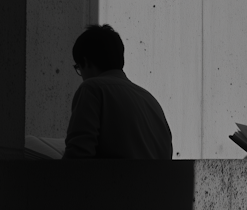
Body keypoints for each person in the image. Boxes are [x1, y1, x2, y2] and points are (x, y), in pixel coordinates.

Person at [63, 24, 173, 159]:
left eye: (78, 68)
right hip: (158, 180)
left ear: (86, 62)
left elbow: (77, 157)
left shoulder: (92, 89)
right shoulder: (150, 100)